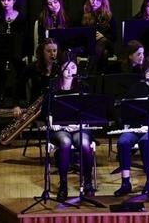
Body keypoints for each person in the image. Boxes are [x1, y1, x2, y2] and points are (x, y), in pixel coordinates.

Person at [113, 56, 149, 197]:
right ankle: (125, 182)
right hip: (137, 128)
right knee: (123, 141)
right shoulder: (135, 89)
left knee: (145, 141)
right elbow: (126, 112)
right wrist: (136, 125)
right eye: (148, 72)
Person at [43, 56, 96, 201]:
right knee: (65, 143)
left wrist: (81, 122)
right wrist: (52, 120)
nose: (69, 71)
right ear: (60, 69)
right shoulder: (53, 86)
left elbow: (89, 110)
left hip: (79, 126)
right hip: (60, 128)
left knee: (85, 143)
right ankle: (63, 185)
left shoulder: (83, 86)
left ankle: (87, 182)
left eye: (73, 67)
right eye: (66, 67)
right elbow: (45, 111)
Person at [0, 0, 29, 103]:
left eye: (8, 0)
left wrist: (25, 54)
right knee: (0, 67)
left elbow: (26, 39)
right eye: (3, 0)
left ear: (14, 1)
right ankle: (0, 94)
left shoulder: (22, 18)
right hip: (2, 52)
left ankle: (20, 96)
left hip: (18, 51)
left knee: (20, 69)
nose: (6, 3)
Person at [13, 38, 60, 118]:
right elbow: (18, 85)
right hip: (36, 110)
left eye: (55, 51)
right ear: (42, 52)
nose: (52, 54)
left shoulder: (59, 68)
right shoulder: (32, 67)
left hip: (55, 108)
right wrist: (16, 105)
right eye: (48, 51)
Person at [81, 0, 117, 72]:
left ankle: (89, 71)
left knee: (102, 41)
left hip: (107, 44)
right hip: (89, 46)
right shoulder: (83, 14)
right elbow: (79, 34)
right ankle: (100, 77)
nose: (94, 2)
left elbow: (114, 37)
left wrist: (102, 36)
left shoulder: (109, 16)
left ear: (103, 1)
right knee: (104, 53)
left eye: (98, 0)